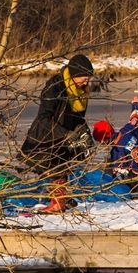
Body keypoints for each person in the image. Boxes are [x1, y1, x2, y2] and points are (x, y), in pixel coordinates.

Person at [21, 54, 96, 213]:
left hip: (64, 136)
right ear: (74, 74)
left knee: (63, 167)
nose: (86, 82)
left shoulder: (80, 92)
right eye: (83, 78)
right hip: (45, 136)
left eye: (88, 79)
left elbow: (78, 119)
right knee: (55, 168)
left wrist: (85, 137)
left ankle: (60, 201)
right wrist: (67, 134)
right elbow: (44, 119)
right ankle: (57, 202)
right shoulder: (54, 88)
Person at [95, 98, 138, 193]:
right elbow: (136, 118)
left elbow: (119, 170)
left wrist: (112, 173)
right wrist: (136, 104)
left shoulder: (117, 150)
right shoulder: (126, 130)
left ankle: (131, 190)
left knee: (108, 166)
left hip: (136, 180)